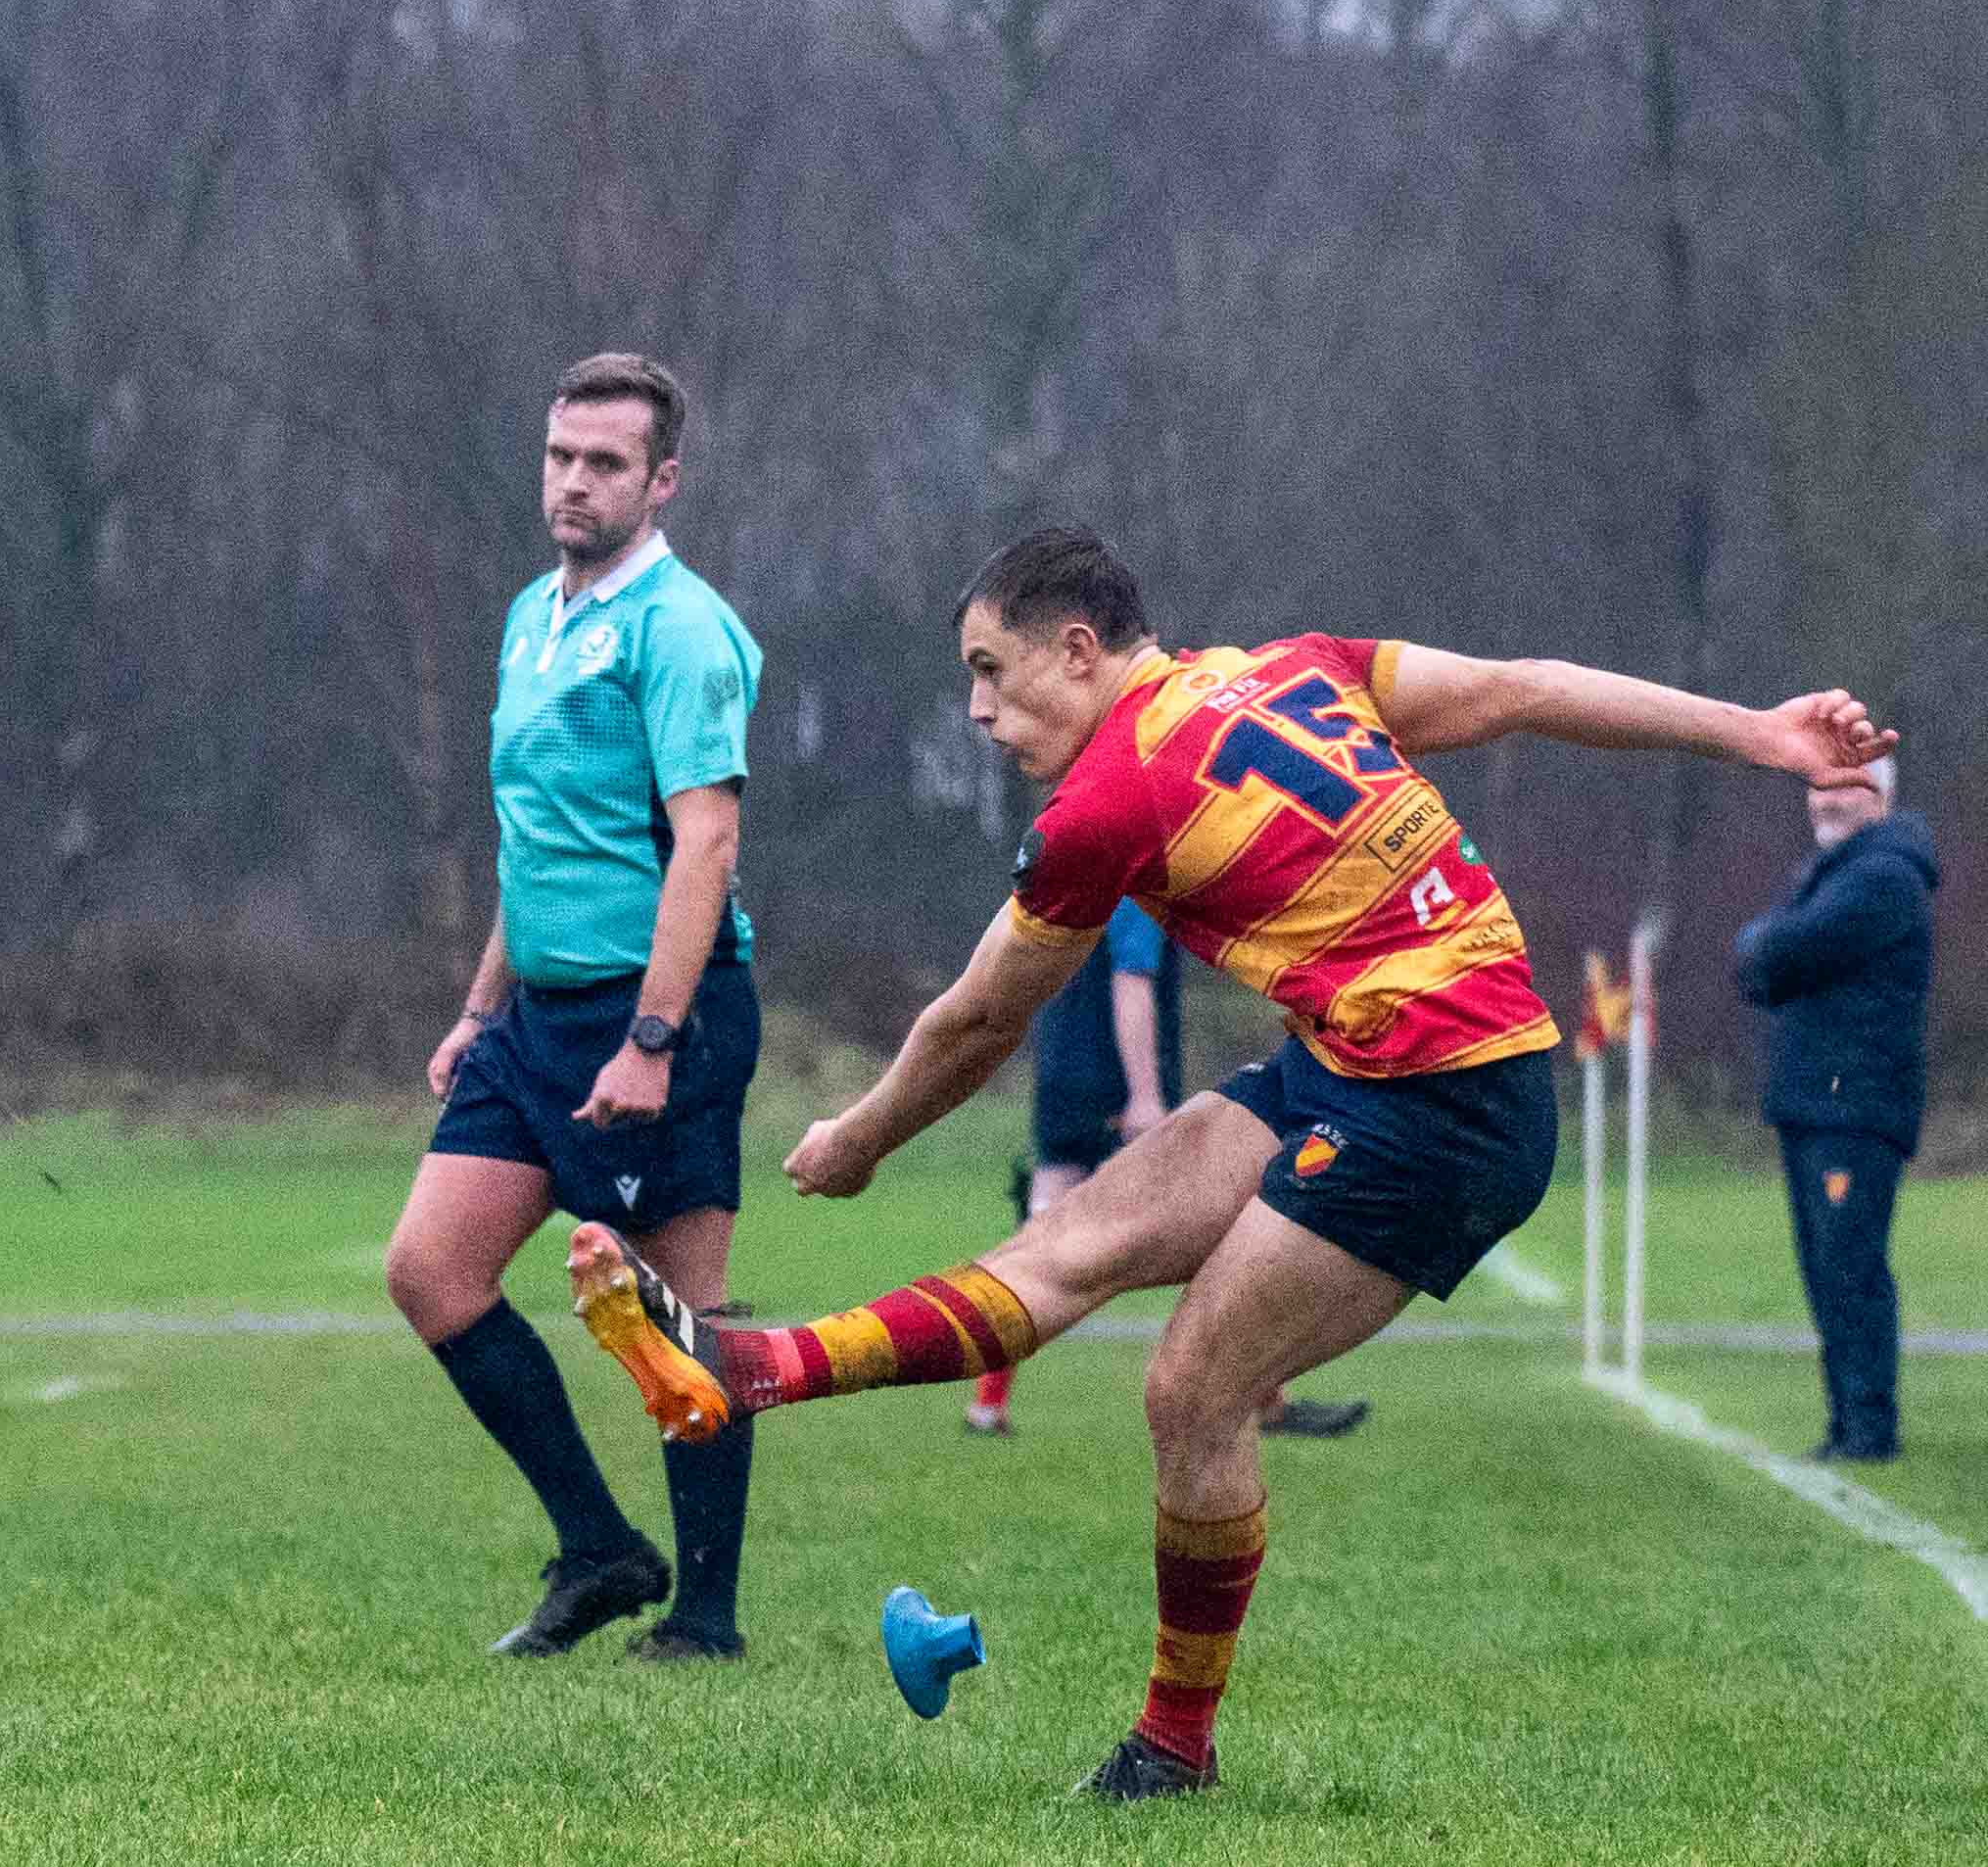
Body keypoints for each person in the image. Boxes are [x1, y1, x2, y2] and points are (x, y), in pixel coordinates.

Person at [560, 527, 1891, 1796]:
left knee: (1191, 1387)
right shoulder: (1297, 667)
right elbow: (1522, 686)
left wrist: (856, 1137)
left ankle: (1171, 1748)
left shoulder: (1105, 802)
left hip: (1440, 1102)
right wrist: (1757, 731)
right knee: (1068, 1242)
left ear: (1075, 648)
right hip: (1360, 1060)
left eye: (988, 669)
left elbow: (975, 1020)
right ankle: (751, 1369)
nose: (974, 708)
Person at [385, 353, 766, 1663]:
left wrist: (652, 1038)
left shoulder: (682, 628)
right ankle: (599, 1549)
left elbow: (704, 844)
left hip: (658, 1012)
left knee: (676, 1314)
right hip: (532, 1018)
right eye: (559, 455)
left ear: (662, 481)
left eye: (605, 462)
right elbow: (536, 840)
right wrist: (477, 1006)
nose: (573, 482)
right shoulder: (526, 617)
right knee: (430, 1271)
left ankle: (703, 1618)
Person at [972, 900, 1367, 1441]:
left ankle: (987, 1405)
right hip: (1115, 1090)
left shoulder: (1072, 890)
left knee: (1034, 1244)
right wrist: (1145, 1096)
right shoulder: (1136, 896)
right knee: (1219, 1235)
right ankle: (1265, 1399)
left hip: (1061, 1084)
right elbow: (1131, 983)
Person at [1734, 752, 1935, 1464]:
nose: (1823, 800)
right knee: (1826, 1267)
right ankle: (1848, 1424)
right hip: (1816, 1104)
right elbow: (1765, 957)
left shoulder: (1883, 876)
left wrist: (1764, 947)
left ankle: (1868, 1429)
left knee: (1848, 1265)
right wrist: (1764, 951)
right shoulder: (1835, 872)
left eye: (1842, 786)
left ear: (1880, 794)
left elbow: (1785, 950)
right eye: (1816, 786)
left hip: (1853, 1107)